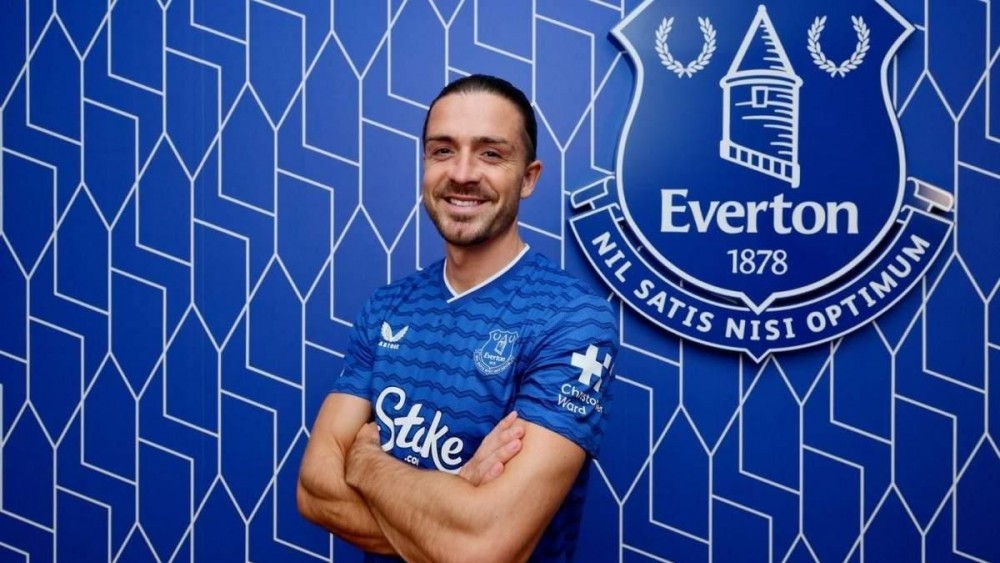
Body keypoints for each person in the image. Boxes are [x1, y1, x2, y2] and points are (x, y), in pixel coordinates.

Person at [297, 74, 618, 562]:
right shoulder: (387, 307)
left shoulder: (571, 318)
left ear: (528, 177)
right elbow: (315, 492)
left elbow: (484, 549)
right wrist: (456, 497)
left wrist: (364, 463)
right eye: (443, 151)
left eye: (490, 154)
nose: (463, 173)